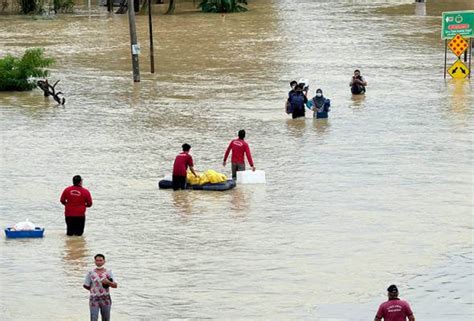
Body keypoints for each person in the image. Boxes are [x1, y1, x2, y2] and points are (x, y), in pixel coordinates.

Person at [84, 254, 118, 321]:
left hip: (106, 299)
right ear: (95, 262)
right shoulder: (90, 273)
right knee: (93, 318)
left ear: (104, 261)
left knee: (106, 319)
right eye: (97, 260)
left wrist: (108, 282)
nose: (99, 262)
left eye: (100, 260)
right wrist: (94, 291)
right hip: (94, 299)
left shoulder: (109, 272)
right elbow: (86, 285)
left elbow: (115, 285)